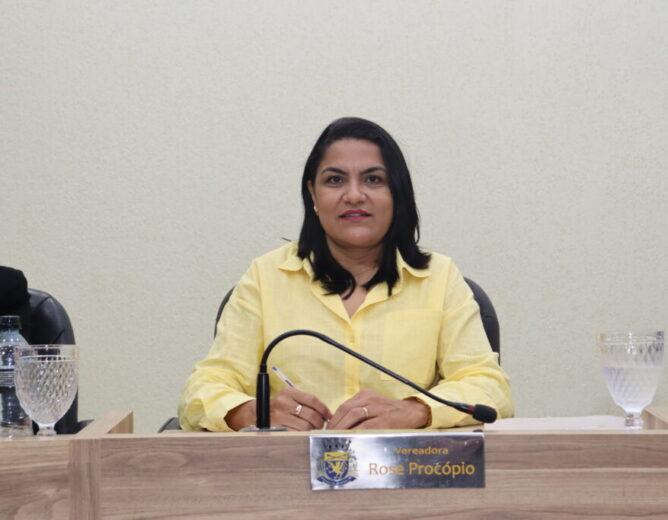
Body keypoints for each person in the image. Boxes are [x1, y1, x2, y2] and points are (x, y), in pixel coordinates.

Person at [178, 117, 513, 431]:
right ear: (313, 194)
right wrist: (254, 413)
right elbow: (203, 389)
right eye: (335, 180)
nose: (354, 195)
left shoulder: (439, 279)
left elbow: (489, 387)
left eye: (373, 179)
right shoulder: (265, 278)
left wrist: (415, 410)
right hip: (290, 468)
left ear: (396, 193)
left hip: (404, 467)